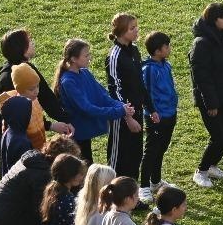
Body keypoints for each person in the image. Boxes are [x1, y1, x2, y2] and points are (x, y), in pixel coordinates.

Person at [0, 29, 70, 164]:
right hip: (18, 142)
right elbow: (20, 116)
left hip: (31, 135)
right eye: (29, 41)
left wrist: (65, 119)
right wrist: (50, 125)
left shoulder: (27, 68)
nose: (33, 43)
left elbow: (46, 98)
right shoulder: (8, 78)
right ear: (21, 48)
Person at [188, 2, 223, 187]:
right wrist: (210, 104)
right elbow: (201, 77)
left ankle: (212, 166)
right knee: (218, 136)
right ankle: (201, 171)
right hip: (209, 100)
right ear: (214, 20)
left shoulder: (222, 38)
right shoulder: (201, 44)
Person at [56, 38, 132, 165]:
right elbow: (87, 108)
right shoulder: (68, 82)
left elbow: (102, 96)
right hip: (76, 135)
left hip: (84, 134)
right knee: (81, 169)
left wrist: (122, 106)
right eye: (86, 55)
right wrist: (119, 110)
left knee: (87, 163)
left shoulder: (85, 73)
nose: (89, 58)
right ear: (74, 59)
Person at [104, 13, 149, 183]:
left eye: (136, 26)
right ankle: (113, 193)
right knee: (119, 155)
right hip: (121, 114)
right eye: (132, 28)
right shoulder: (115, 55)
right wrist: (127, 116)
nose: (137, 30)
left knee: (135, 153)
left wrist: (149, 107)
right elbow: (114, 89)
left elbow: (139, 82)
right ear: (122, 32)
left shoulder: (134, 50)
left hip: (136, 110)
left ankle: (131, 195)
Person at [139, 32, 178, 199]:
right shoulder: (148, 69)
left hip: (170, 113)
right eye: (166, 46)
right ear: (157, 51)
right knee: (151, 150)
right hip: (156, 116)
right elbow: (146, 93)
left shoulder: (166, 65)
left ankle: (156, 181)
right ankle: (144, 186)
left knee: (162, 148)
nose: (169, 49)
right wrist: (153, 111)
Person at [0, 92, 40, 175]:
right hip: (19, 185)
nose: (30, 117)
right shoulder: (22, 142)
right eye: (29, 114)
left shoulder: (8, 132)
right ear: (22, 116)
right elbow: (27, 170)